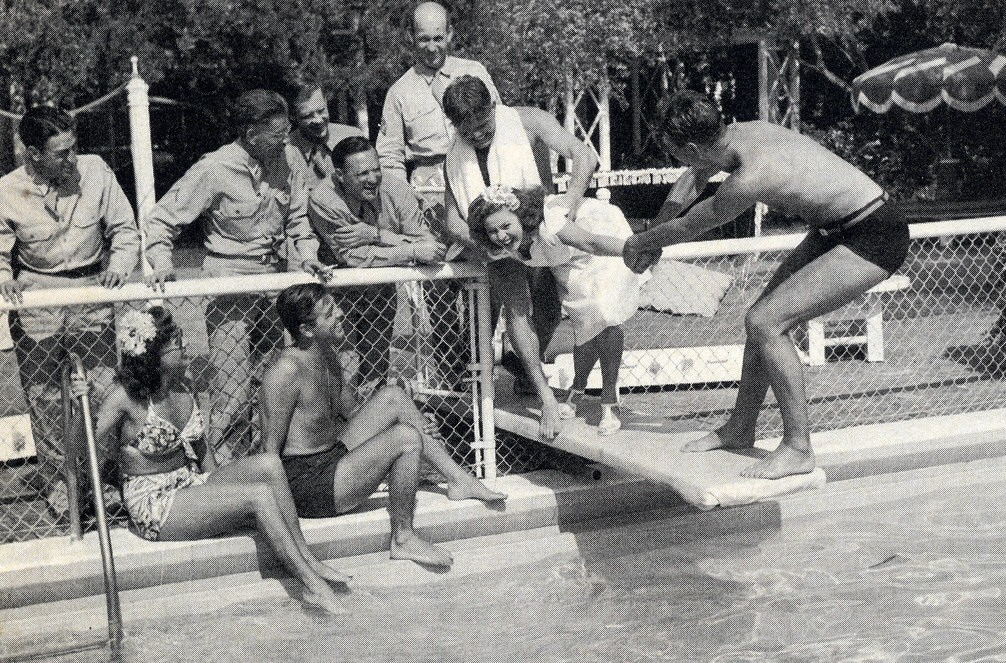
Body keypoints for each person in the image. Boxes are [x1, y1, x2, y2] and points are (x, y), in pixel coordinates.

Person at [622, 90, 910, 479]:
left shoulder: (750, 176)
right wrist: (656, 230)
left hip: (873, 233)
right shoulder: (740, 133)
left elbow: (692, 225)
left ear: (691, 146)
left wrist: (641, 241)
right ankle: (741, 428)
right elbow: (695, 175)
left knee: (766, 322)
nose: (679, 162)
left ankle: (798, 448)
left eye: (676, 153)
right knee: (758, 321)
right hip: (836, 229)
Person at [69, 306, 348, 614]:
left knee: (269, 464)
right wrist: (79, 407)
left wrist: (221, 492)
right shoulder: (124, 397)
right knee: (256, 496)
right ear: (155, 356)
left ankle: (308, 558)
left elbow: (202, 453)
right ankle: (312, 585)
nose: (186, 346)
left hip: (190, 483)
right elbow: (82, 449)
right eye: (177, 342)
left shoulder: (182, 386)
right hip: (154, 502)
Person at [260, 283, 506, 568]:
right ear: (306, 330)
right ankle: (402, 538)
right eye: (329, 313)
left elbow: (353, 415)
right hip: (308, 486)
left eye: (335, 306)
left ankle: (457, 479)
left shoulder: (327, 353)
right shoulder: (284, 371)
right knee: (405, 439)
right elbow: (269, 454)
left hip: (332, 459)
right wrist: (285, 526)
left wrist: (418, 420)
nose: (341, 313)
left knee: (394, 397)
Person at [144, 89, 318, 461]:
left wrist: (308, 257)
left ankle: (270, 462)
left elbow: (299, 222)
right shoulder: (214, 168)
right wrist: (161, 261)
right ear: (250, 134)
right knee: (233, 389)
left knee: (275, 382)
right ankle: (224, 470)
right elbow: (161, 221)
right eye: (276, 134)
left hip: (275, 283)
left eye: (287, 132)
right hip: (228, 287)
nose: (285, 140)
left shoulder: (291, 160)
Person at [441, 73, 597, 427]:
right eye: (468, 131)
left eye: (483, 125)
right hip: (492, 241)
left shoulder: (530, 121)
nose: (478, 135)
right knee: (516, 307)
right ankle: (545, 398)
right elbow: (451, 221)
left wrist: (571, 199)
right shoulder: (451, 157)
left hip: (538, 229)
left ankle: (524, 365)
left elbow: (583, 156)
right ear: (454, 126)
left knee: (548, 308)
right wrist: (486, 239)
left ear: (493, 107)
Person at [0, 105, 140, 457]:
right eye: (62, 153)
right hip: (38, 299)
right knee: (44, 396)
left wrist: (120, 265)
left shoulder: (95, 171)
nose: (72, 158)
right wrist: (4, 278)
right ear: (33, 154)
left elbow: (124, 229)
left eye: (74, 148)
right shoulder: (6, 191)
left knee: (103, 389)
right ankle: (63, 484)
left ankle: (103, 476)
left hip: (92, 291)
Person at [376, 1, 501, 392]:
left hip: (477, 187)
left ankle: (480, 361)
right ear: (411, 38)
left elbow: (497, 124)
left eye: (438, 37)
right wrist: (406, 209)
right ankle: (451, 373)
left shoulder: (474, 72)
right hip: (427, 194)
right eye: (423, 38)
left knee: (489, 273)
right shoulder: (399, 92)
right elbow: (391, 157)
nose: (431, 47)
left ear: (450, 34)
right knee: (439, 290)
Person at [468, 185, 648, 435]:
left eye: (506, 226)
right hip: (569, 261)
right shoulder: (498, 250)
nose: (500, 236)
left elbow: (591, 242)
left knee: (605, 314)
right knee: (585, 324)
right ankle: (578, 390)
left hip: (601, 238)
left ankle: (610, 403)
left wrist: (635, 250)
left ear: (521, 218)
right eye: (492, 231)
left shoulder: (549, 223)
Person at [304, 136, 446, 398]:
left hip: (380, 293)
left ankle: (371, 428)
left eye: (376, 169)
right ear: (340, 176)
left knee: (375, 373)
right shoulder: (323, 198)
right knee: (340, 373)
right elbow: (353, 256)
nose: (373, 179)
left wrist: (376, 235)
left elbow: (429, 245)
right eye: (362, 174)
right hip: (338, 294)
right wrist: (411, 250)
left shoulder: (397, 189)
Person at [288, 82, 366, 191]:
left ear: (325, 101)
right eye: (307, 116)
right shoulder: (285, 153)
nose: (318, 120)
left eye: (321, 110)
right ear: (293, 116)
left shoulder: (353, 136)